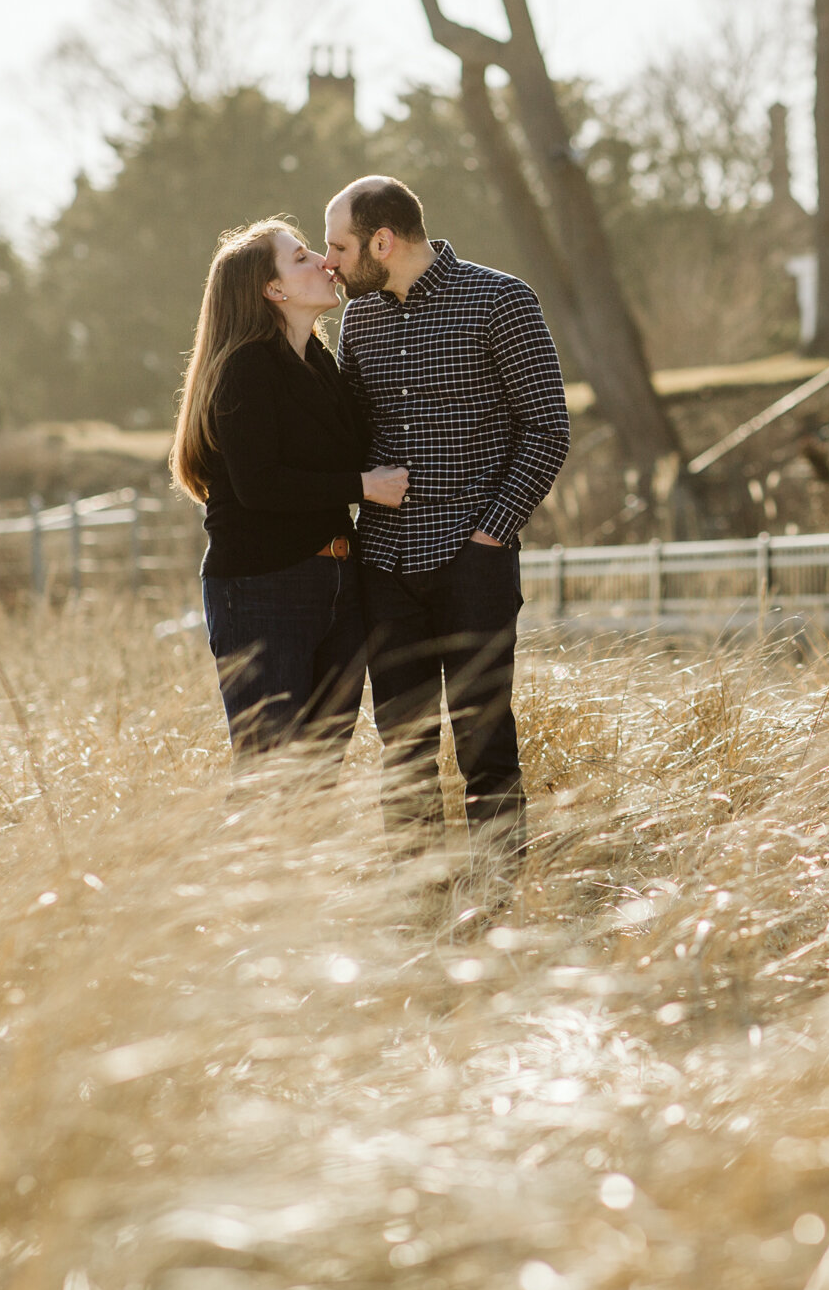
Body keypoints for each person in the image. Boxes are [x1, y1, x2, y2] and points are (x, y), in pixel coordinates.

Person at [322, 176, 571, 863]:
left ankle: (495, 907)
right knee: (402, 750)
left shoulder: (501, 299)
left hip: (473, 561)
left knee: (485, 743)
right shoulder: (360, 318)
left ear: (383, 240)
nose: (331, 261)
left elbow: (547, 429)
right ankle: (420, 911)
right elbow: (351, 432)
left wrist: (491, 533)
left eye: (339, 245)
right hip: (384, 566)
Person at [169, 220, 408, 761]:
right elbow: (260, 486)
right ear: (272, 289)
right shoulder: (245, 368)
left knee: (318, 778)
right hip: (262, 590)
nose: (324, 263)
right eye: (302, 258)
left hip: (336, 583)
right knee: (269, 774)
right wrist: (362, 488)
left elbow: (353, 447)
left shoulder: (320, 362)